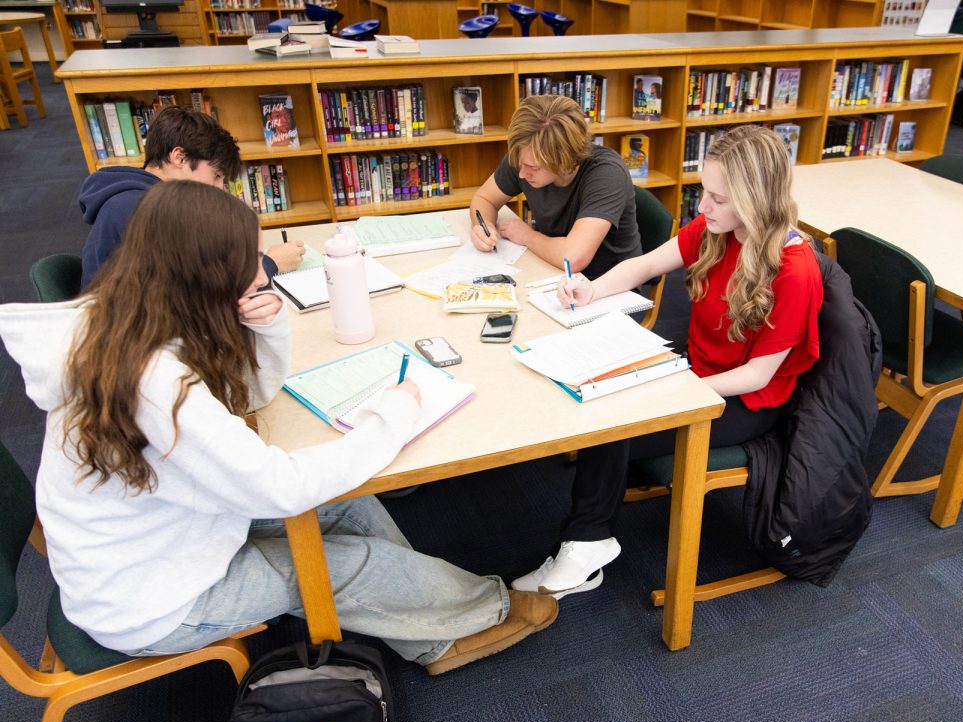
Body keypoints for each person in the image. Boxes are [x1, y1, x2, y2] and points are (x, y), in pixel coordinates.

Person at [0, 180, 556, 676]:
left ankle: (436, 632)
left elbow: (249, 397)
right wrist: (393, 414)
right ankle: (482, 612)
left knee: (352, 504)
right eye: (250, 257)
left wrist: (263, 328)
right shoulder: (156, 387)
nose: (261, 265)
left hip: (160, 538)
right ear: (207, 274)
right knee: (342, 559)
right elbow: (283, 486)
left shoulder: (127, 316)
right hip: (153, 600)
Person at [512, 125, 823, 597]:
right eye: (704, 192)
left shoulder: (795, 271)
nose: (703, 207)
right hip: (697, 365)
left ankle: (586, 545)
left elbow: (759, 374)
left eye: (718, 198)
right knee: (605, 396)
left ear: (756, 198)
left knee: (615, 421)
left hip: (746, 400)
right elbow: (647, 265)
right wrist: (592, 289)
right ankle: (588, 535)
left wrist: (670, 385)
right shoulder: (720, 228)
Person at [78, 106, 305, 289]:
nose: (220, 190)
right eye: (216, 176)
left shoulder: (144, 197)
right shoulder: (143, 209)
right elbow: (199, 291)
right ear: (179, 157)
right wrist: (269, 264)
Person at [468, 94, 640, 279]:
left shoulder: (607, 174)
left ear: (564, 160)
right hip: (556, 274)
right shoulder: (526, 154)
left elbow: (573, 259)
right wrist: (484, 228)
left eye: (533, 168)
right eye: (520, 164)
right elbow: (484, 198)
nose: (521, 174)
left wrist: (527, 236)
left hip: (610, 286)